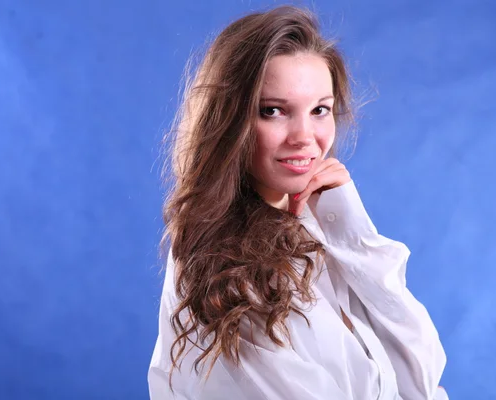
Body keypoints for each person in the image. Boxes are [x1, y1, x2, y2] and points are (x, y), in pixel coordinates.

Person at [148, 5, 449, 400]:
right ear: (228, 121)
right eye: (273, 111)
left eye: (319, 110)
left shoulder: (318, 225)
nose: (304, 137)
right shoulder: (219, 261)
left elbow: (420, 381)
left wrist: (351, 230)